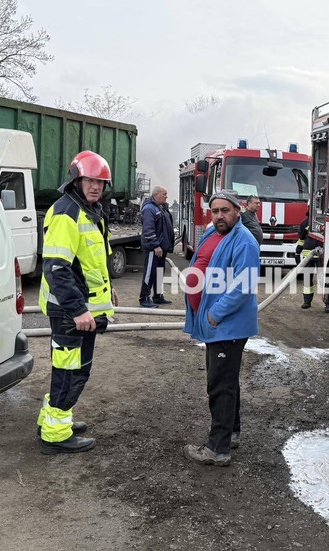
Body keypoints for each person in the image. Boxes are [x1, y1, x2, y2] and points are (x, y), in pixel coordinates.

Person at [37, 151, 119, 454]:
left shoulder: (89, 210)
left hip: (82, 309)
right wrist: (78, 310)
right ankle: (55, 436)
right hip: (70, 313)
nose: (96, 186)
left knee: (72, 369)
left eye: (101, 181)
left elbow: (91, 261)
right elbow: (57, 268)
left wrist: (107, 290)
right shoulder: (66, 213)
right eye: (90, 180)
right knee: (70, 372)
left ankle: (55, 418)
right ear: (76, 179)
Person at [182, 190, 260, 466]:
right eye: (214, 211)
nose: (219, 216)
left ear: (237, 211)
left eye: (225, 210)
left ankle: (217, 448)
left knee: (220, 386)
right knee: (228, 382)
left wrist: (215, 314)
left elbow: (243, 284)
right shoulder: (213, 233)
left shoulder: (244, 241)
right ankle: (231, 433)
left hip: (228, 325)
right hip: (215, 323)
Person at [139, 185, 174, 308]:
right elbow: (148, 230)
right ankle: (144, 298)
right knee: (150, 273)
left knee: (159, 272)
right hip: (153, 248)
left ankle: (158, 296)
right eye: (164, 194)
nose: (166, 196)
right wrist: (155, 245)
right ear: (156, 195)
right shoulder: (149, 209)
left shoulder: (160, 207)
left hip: (161, 248)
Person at [297, 211, 327, 311]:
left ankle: (328, 303)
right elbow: (301, 237)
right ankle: (307, 301)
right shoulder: (305, 222)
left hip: (321, 256)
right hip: (308, 256)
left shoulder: (325, 223)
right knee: (307, 280)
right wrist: (298, 249)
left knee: (324, 279)